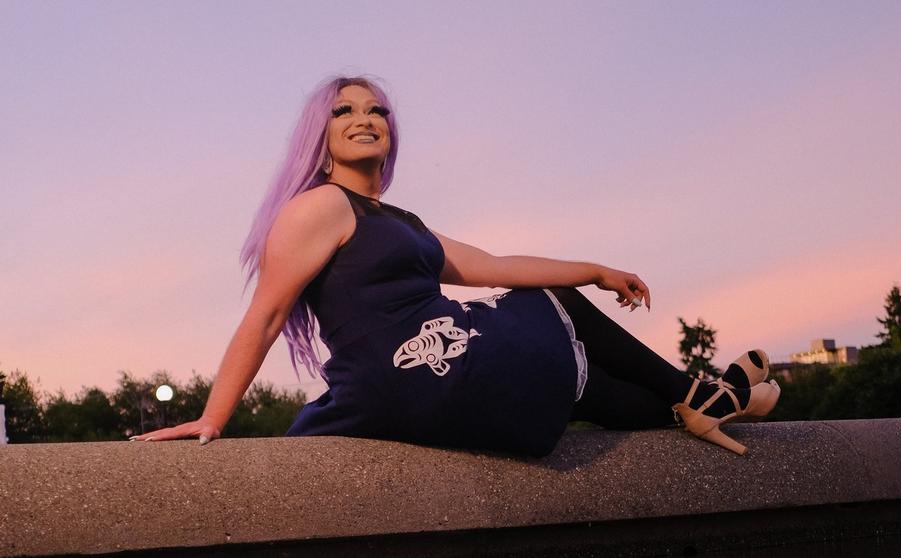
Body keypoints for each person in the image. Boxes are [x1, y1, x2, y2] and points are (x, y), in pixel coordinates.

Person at [131, 74, 780, 457]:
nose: (366, 118)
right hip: (424, 364)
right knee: (551, 307)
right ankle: (696, 392)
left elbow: (492, 263)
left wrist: (593, 267)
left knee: (584, 379)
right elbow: (267, 311)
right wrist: (214, 417)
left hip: (431, 379)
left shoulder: (400, 223)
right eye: (345, 110)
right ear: (319, 135)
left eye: (377, 109)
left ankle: (694, 404)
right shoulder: (317, 207)